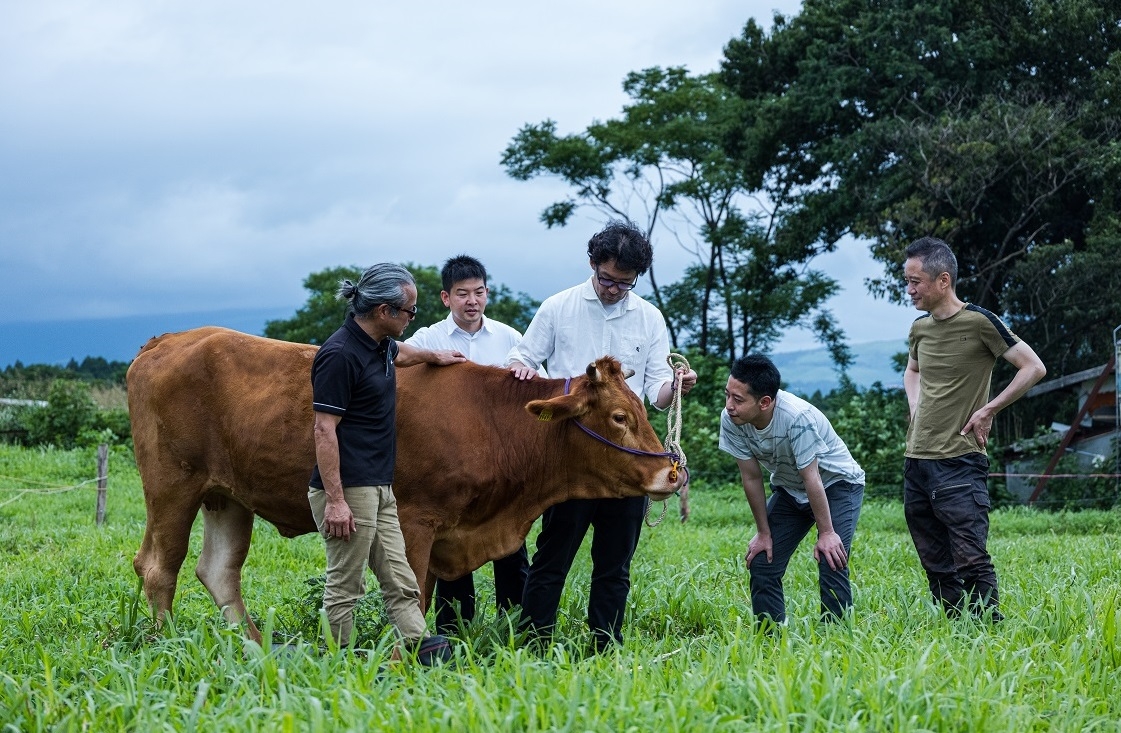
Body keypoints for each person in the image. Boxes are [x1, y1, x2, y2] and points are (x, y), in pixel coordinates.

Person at [507, 219, 698, 652]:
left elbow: (655, 391)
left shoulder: (648, 317)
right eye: (607, 279)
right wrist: (521, 368)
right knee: (552, 557)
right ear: (592, 263)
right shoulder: (559, 306)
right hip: (570, 457)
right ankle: (534, 643)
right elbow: (522, 358)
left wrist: (676, 385)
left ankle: (604, 645)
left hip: (626, 457)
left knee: (615, 564)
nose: (613, 289)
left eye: (624, 284)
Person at [308, 262, 466, 663]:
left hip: (380, 485)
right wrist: (337, 501)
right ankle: (337, 663)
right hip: (350, 488)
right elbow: (324, 430)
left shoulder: (381, 345)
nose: (413, 318)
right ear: (384, 311)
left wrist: (435, 356)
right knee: (346, 583)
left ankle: (421, 647)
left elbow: (405, 353)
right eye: (409, 311)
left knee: (400, 577)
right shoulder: (340, 355)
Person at [902, 237, 1046, 620]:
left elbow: (1033, 367)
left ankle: (987, 635)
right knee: (934, 560)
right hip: (916, 460)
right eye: (907, 281)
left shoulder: (980, 322)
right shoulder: (919, 329)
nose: (909, 289)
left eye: (915, 281)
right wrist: (915, 405)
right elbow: (912, 370)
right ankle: (957, 629)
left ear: (943, 280)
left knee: (969, 557)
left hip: (960, 460)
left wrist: (990, 409)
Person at [405, 254, 532, 636]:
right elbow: (394, 357)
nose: (472, 301)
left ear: (487, 294)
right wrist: (432, 358)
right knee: (452, 550)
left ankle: (515, 628)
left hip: (501, 469)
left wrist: (524, 371)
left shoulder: (509, 338)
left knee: (510, 547)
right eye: (462, 294)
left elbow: (535, 377)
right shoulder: (430, 337)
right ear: (446, 298)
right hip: (451, 470)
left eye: (478, 292)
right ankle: (453, 631)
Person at [719, 354, 865, 626]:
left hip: (837, 483)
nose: (729, 406)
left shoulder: (797, 418)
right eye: (727, 395)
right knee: (763, 561)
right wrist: (763, 533)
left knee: (830, 557)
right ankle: (771, 637)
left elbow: (812, 478)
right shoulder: (731, 420)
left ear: (765, 402)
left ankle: (838, 638)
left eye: (738, 400)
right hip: (790, 486)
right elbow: (751, 477)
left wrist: (827, 533)